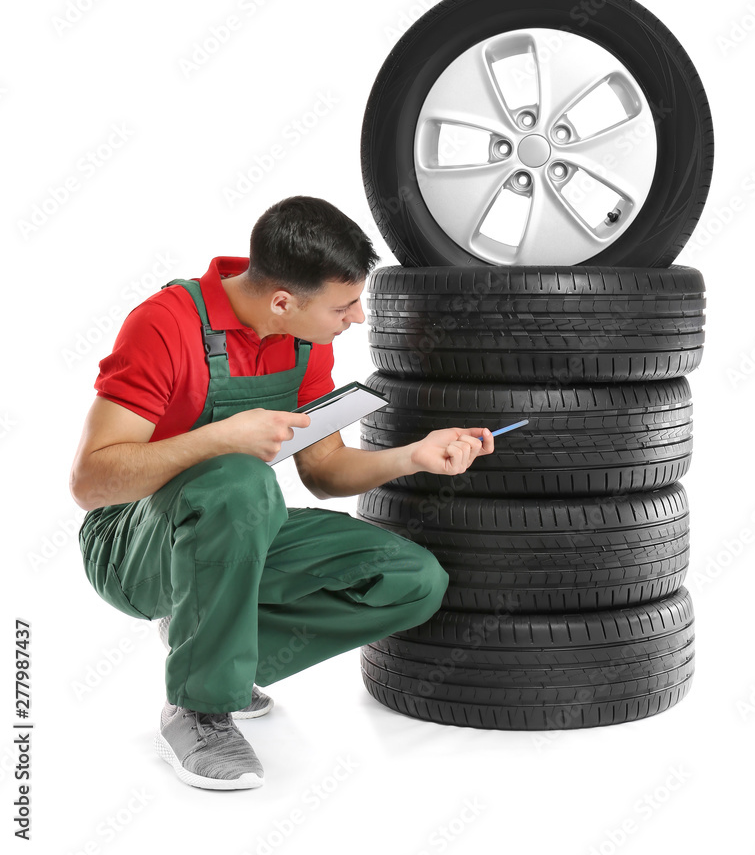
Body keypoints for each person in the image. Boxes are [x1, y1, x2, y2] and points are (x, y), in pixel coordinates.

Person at [70, 195, 494, 791]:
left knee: (412, 580)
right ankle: (198, 710)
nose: (358, 320)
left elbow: (324, 472)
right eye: (343, 307)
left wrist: (412, 456)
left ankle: (206, 646)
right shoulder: (165, 325)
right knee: (241, 478)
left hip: (239, 531)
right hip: (129, 546)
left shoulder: (305, 341)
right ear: (282, 301)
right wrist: (219, 439)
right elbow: (91, 483)